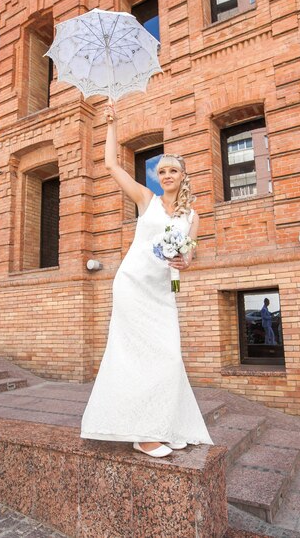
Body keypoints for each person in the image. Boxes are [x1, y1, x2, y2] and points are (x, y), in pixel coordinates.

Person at [81, 104, 213, 457]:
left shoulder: (193, 217)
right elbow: (110, 165)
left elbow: (189, 257)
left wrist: (183, 263)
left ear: (183, 176)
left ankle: (163, 423)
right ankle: (143, 434)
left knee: (168, 356)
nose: (166, 174)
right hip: (132, 284)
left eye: (173, 170)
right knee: (134, 355)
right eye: (162, 170)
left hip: (162, 292)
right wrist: (111, 125)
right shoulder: (146, 200)